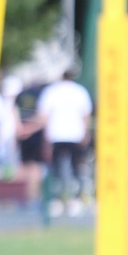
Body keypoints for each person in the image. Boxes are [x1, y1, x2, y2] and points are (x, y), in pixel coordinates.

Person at [36, 69, 93, 215]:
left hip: (56, 135)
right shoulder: (80, 91)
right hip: (75, 134)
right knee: (76, 167)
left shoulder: (51, 91)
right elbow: (86, 115)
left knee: (57, 169)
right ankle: (75, 200)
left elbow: (44, 117)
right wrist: (86, 132)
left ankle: (58, 200)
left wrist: (45, 140)